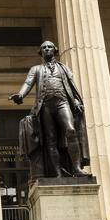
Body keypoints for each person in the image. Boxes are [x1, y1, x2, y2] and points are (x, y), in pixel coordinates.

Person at [9, 41, 91, 179]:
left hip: (62, 102)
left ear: (55, 50)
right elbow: (28, 83)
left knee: (71, 131)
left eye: (49, 47)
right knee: (50, 140)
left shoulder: (63, 68)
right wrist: (21, 95)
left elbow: (71, 85)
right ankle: (57, 173)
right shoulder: (36, 69)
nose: (47, 49)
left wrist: (76, 100)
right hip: (45, 106)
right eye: (44, 47)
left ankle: (77, 168)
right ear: (41, 52)